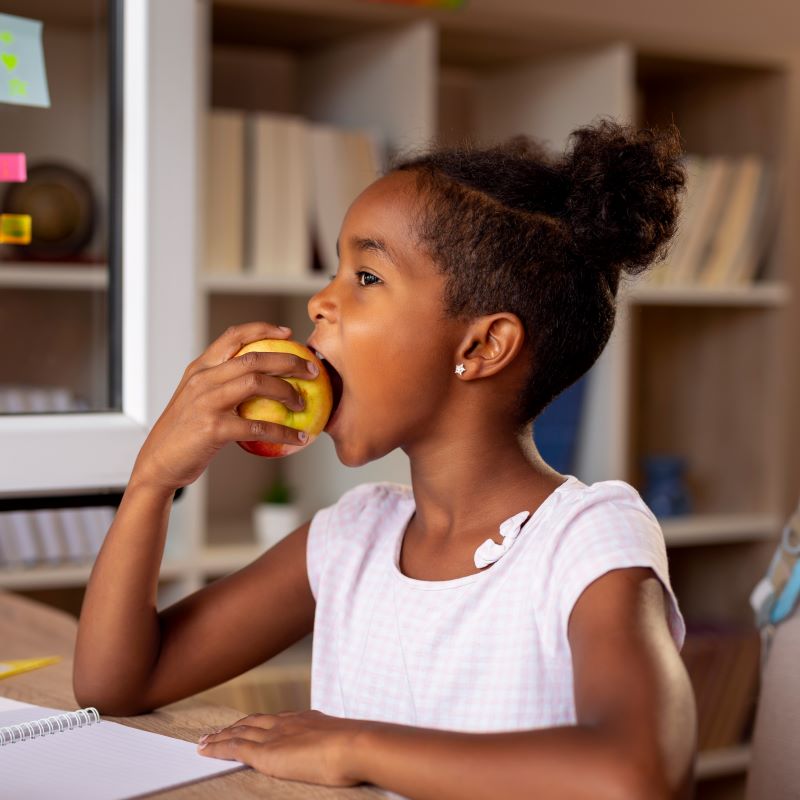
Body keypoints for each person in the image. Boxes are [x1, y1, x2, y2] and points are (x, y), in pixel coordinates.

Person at [74, 117, 696, 800]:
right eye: (335, 271)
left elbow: (636, 774)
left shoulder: (585, 540)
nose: (321, 302)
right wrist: (155, 478)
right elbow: (115, 684)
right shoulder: (354, 537)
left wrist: (352, 744)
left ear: (481, 347)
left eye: (365, 275)